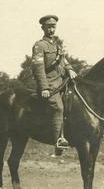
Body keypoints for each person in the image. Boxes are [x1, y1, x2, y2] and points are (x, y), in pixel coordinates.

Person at [31, 15, 77, 155]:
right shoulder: (39, 45)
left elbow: (63, 60)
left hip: (63, 81)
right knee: (58, 107)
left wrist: (69, 69)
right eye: (48, 27)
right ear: (43, 28)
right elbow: (38, 68)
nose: (51, 29)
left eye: (53, 27)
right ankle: (58, 141)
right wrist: (44, 87)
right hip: (50, 84)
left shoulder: (56, 44)